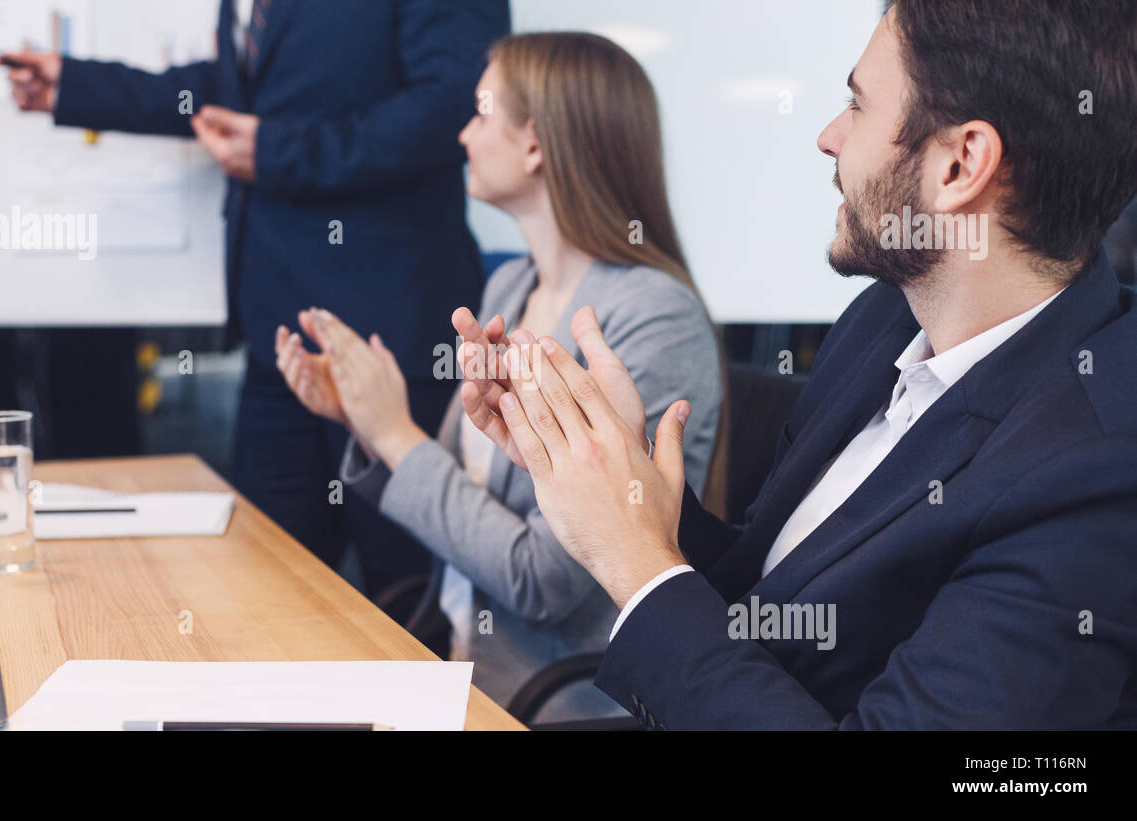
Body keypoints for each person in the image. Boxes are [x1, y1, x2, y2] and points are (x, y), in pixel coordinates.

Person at [460, 0, 1137, 729]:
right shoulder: (884, 321)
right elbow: (766, 602)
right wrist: (602, 466)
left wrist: (638, 566)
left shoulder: (1097, 476)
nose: (829, 137)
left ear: (961, 164)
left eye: (858, 104)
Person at [274, 33, 723, 721]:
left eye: (481, 113)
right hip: (458, 669)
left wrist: (398, 436)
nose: (461, 133)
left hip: (553, 703)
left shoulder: (652, 317)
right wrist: (365, 418)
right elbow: (461, 497)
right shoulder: (510, 285)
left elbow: (540, 577)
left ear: (536, 145)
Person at [2, 0, 510, 593]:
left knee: (405, 598)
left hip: (390, 332)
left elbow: (451, 105)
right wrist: (77, 85)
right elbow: (232, 90)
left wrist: (278, 152)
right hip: (279, 335)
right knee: (264, 586)